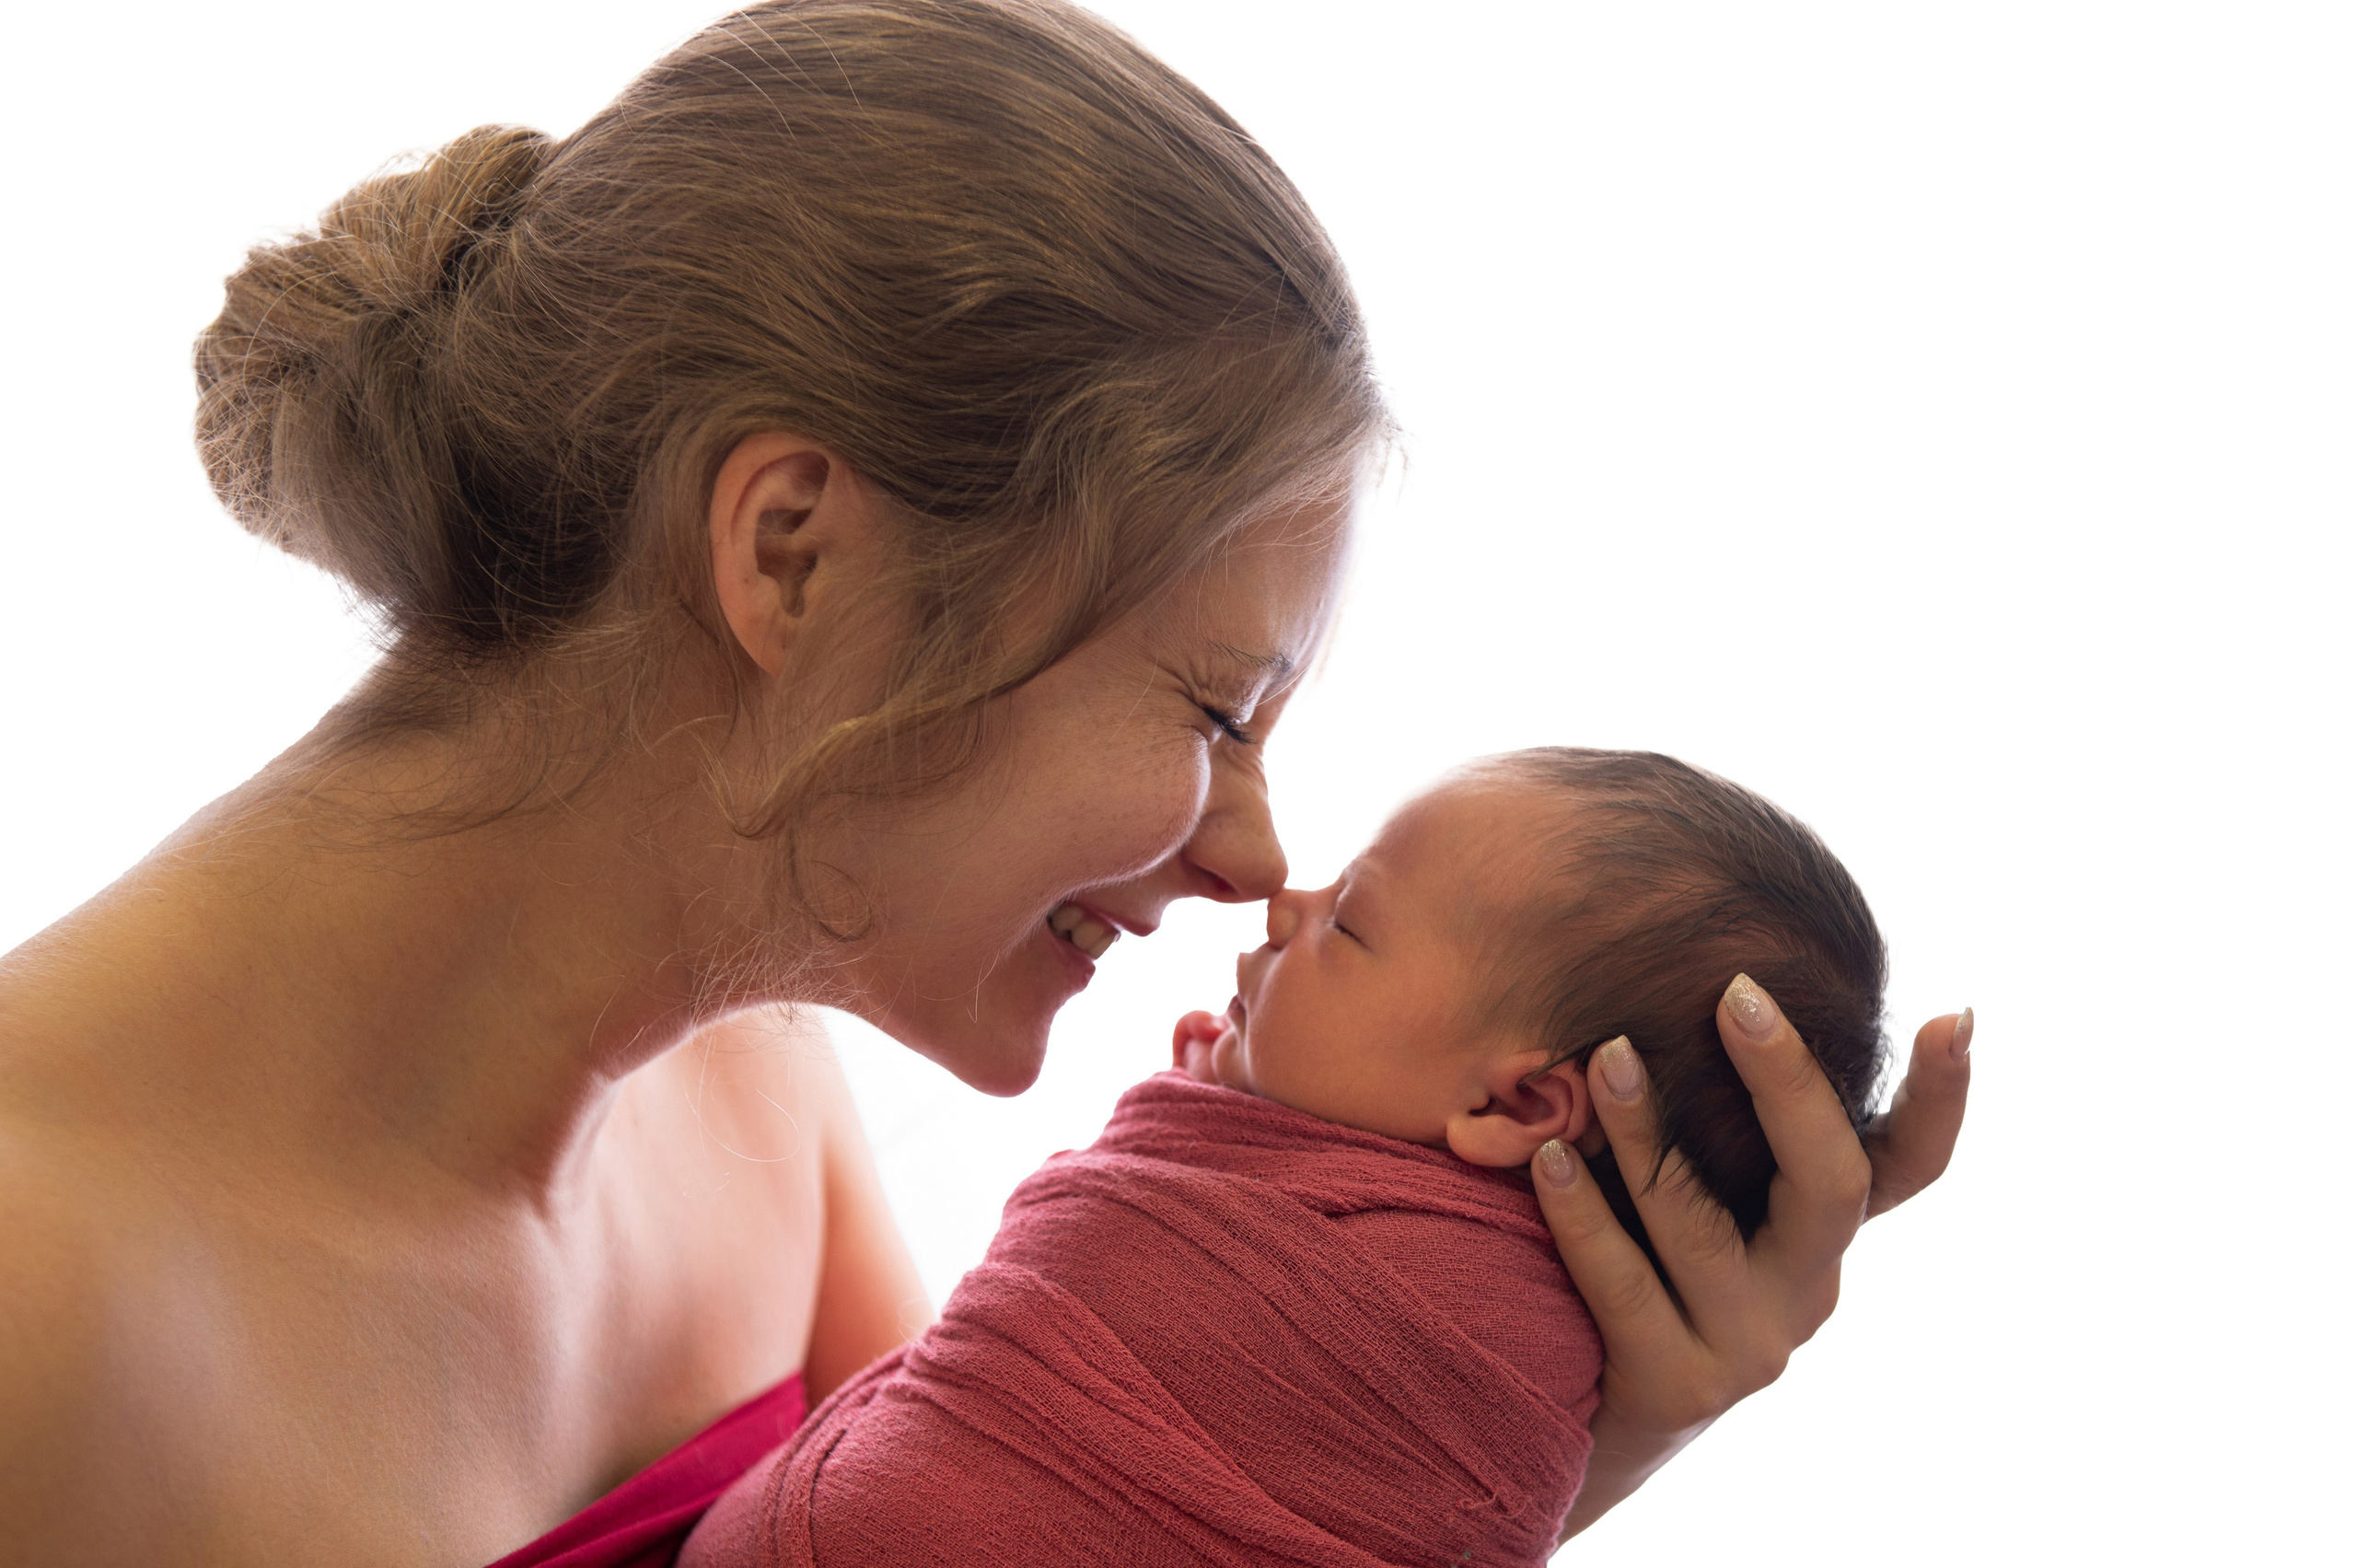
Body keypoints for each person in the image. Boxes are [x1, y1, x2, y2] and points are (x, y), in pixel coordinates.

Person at [0, 4, 1971, 1565]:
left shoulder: (750, 1097)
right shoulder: (41, 1302)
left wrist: (1567, 1436)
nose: (1253, 858)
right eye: (1216, 712)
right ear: (793, 557)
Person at [679, 748, 1917, 1565]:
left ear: (1519, 1104)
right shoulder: (1320, 1209)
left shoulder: (1473, 1319)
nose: (1281, 899)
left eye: (1351, 923)